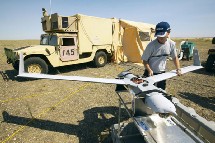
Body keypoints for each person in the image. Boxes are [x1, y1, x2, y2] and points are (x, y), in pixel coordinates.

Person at [142, 21, 181, 90]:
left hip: (162, 73)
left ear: (168, 33)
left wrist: (178, 69)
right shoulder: (151, 46)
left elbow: (175, 58)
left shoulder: (171, 44)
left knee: (161, 92)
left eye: (162, 36)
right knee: (147, 93)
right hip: (150, 73)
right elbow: (145, 60)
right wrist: (149, 70)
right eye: (158, 36)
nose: (160, 38)